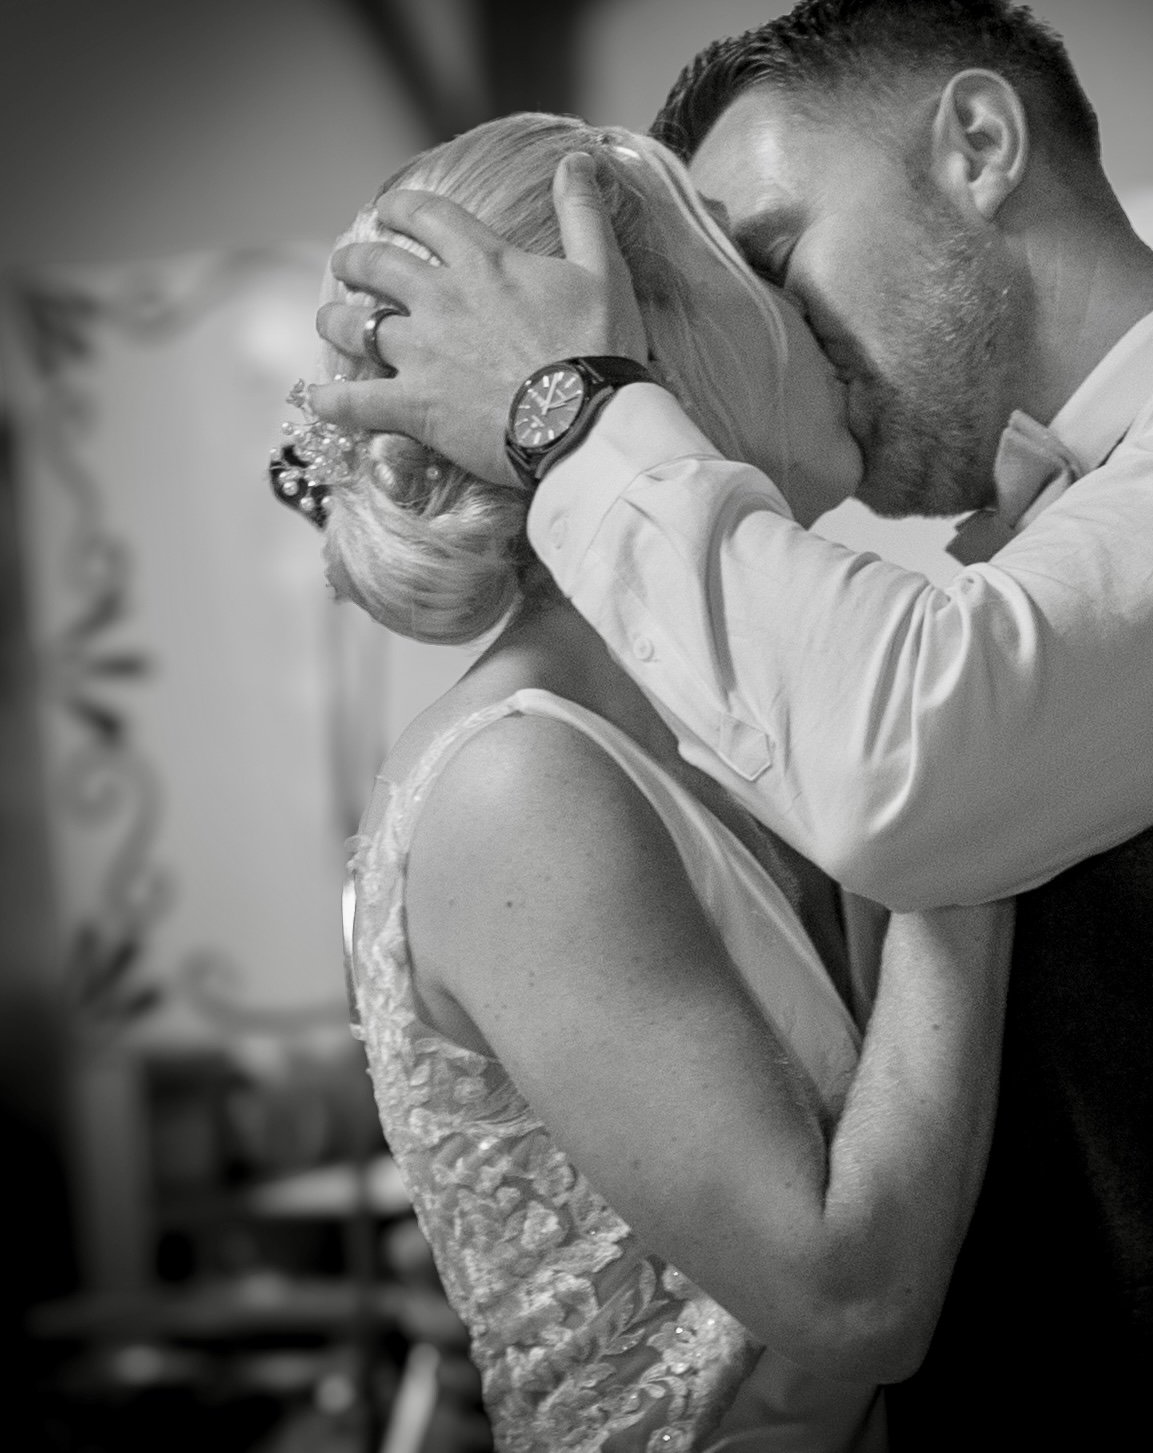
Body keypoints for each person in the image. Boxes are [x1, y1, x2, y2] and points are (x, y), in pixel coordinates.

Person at [309, 0, 1153, 1434]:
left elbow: (920, 765)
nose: (777, 326)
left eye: (777, 253)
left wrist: (568, 408)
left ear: (977, 144)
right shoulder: (605, 751)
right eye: (734, 287)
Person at [277, 109, 1013, 1452]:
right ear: (638, 348)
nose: (813, 313)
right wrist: (978, 784)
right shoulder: (516, 785)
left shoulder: (740, 710)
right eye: (756, 267)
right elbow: (850, 1302)